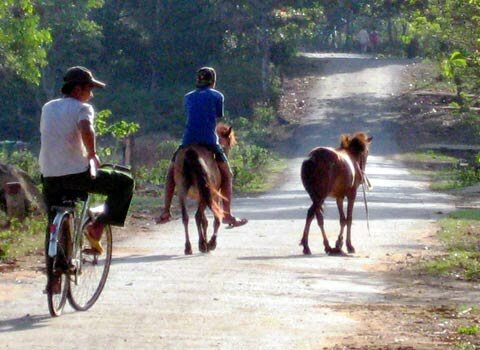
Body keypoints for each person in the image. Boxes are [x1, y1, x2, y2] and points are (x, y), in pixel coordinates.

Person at [40, 66, 134, 263]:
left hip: (48, 175)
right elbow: (86, 128)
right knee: (124, 182)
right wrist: (92, 154)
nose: (91, 95)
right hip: (77, 175)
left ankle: (54, 279)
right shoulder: (82, 108)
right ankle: (97, 226)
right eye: (89, 89)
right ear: (77, 90)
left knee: (52, 220)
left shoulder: (48, 107)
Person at [155, 67, 247, 227]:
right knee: (227, 174)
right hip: (209, 141)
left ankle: (166, 210)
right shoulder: (218, 96)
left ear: (197, 81)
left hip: (187, 141)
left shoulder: (188, 97)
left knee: (171, 172)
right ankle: (227, 214)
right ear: (213, 81)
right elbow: (218, 115)